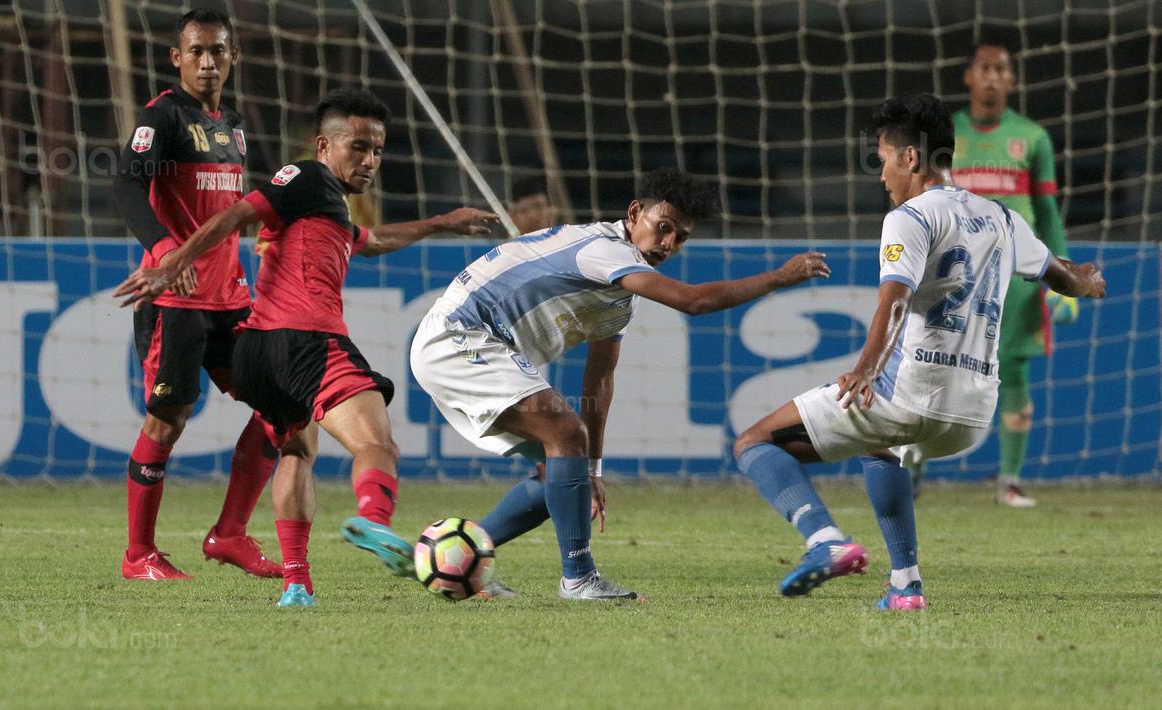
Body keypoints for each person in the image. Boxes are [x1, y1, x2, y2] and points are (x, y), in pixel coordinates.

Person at [116, 88, 498, 607]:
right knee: (376, 445)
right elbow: (234, 216)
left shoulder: (326, 205)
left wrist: (442, 222)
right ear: (324, 145)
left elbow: (373, 239)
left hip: (257, 351)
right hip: (305, 342)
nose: (369, 161)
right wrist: (173, 260)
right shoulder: (305, 177)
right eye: (357, 147)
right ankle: (374, 522)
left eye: (378, 151)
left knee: (295, 446)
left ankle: (296, 582)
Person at [731, 93, 1105, 611]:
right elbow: (1063, 277)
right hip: (973, 415)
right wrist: (1089, 283)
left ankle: (825, 541)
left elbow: (896, 299)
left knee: (754, 443)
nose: (881, 174)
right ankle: (906, 586)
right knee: (880, 445)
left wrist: (865, 369)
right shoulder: (1000, 216)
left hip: (913, 392)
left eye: (884, 159)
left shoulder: (910, 217)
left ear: (910, 158)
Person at [409, 167, 832, 600]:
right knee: (564, 432)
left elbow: (599, 379)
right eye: (662, 228)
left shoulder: (620, 296)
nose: (667, 244)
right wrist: (780, 277)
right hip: (460, 335)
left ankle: (455, 561)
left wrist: (591, 468)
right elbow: (694, 301)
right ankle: (579, 579)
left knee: (555, 471)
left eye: (680, 237)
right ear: (635, 213)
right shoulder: (603, 251)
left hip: (470, 343)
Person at [112, 9, 283, 580]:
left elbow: (220, 207)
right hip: (175, 302)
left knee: (281, 406)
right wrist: (164, 253)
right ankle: (138, 555)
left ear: (232, 57)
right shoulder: (161, 117)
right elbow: (127, 183)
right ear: (176, 58)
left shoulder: (232, 123)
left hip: (230, 296)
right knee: (168, 418)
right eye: (197, 52)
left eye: (218, 51)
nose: (208, 62)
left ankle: (229, 534)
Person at [950, 42, 1075, 506]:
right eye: (983, 69)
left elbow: (1046, 210)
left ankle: (1010, 480)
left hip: (1018, 275)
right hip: (957, 274)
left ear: (1012, 80)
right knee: (934, 368)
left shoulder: (1033, 137)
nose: (991, 78)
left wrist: (1062, 279)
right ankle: (914, 469)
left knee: (1014, 370)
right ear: (969, 76)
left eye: (1000, 70)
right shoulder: (947, 132)